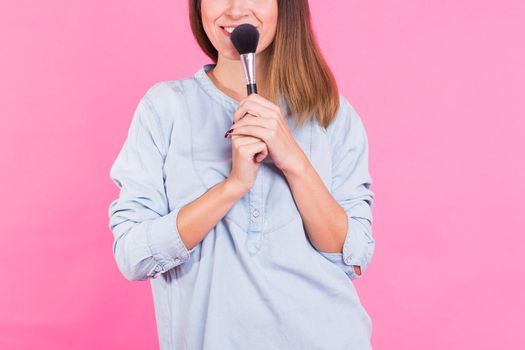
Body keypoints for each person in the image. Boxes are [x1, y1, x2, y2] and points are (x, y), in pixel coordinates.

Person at [108, 0, 376, 348]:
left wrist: (293, 160)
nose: (235, 10)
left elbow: (352, 256)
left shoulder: (331, 114)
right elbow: (133, 256)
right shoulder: (165, 108)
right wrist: (234, 185)